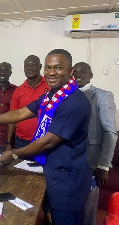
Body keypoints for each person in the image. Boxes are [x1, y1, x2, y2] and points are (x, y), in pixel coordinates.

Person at [0, 49, 92, 225]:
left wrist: (14, 154)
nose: (51, 72)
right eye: (48, 68)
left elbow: (49, 141)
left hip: (67, 179)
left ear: (70, 72)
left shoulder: (74, 101)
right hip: (52, 171)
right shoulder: (50, 96)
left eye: (58, 68)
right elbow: (22, 112)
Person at [73, 62, 118, 225]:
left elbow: (110, 132)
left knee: (87, 210)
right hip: (70, 160)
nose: (78, 74)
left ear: (91, 75)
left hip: (91, 162)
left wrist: (104, 165)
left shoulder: (103, 95)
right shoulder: (66, 95)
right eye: (75, 71)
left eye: (83, 71)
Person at [6, 55, 49, 152]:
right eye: (27, 66)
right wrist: (8, 143)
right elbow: (13, 118)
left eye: (33, 65)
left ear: (40, 66)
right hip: (22, 141)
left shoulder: (50, 86)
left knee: (43, 167)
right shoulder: (18, 91)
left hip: (45, 140)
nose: (30, 68)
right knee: (20, 167)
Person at [0, 62, 17, 153]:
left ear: (10, 73)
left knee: (9, 166)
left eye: (5, 71)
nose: (2, 73)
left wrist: (9, 143)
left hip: (10, 140)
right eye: (0, 71)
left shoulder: (16, 91)